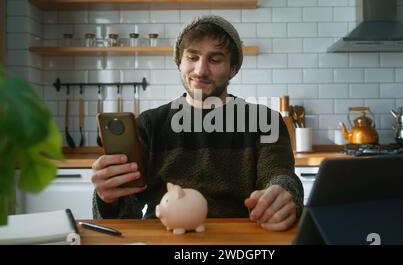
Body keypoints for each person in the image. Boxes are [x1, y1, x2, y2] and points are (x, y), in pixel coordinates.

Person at [91, 15, 304, 232]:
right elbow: (126, 215)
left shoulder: (264, 121)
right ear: (179, 62)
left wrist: (283, 193)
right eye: (192, 57)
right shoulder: (149, 125)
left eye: (215, 59)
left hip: (238, 239)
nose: (200, 70)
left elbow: (279, 174)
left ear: (233, 68)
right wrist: (108, 197)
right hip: (163, 237)